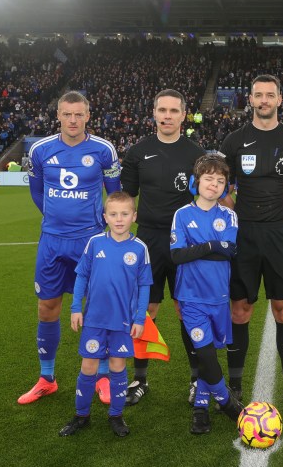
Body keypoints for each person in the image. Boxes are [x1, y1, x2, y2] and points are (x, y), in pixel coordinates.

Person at [18, 91, 122, 405]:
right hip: (51, 241)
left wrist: (99, 227)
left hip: (90, 242)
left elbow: (115, 195)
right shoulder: (41, 149)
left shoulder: (104, 150)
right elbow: (37, 191)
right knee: (47, 308)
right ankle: (46, 378)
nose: (73, 120)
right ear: (59, 115)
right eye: (67, 114)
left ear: (88, 116)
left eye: (79, 114)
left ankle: (102, 376)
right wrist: (55, 218)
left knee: (97, 309)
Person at [220, 74, 283, 414]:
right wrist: (237, 217)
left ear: (279, 100)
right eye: (258, 95)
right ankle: (233, 387)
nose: (263, 100)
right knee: (239, 310)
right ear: (250, 99)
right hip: (243, 235)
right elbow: (220, 186)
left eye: (269, 95)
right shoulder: (234, 140)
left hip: (280, 236)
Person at [120, 89, 207, 406]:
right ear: (154, 113)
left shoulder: (197, 154)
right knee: (147, 309)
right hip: (148, 240)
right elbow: (126, 200)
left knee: (187, 310)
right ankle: (139, 379)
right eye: (162, 110)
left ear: (184, 115)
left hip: (186, 241)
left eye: (173, 110)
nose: (167, 116)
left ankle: (198, 380)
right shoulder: (137, 152)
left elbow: (205, 200)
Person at [59, 192, 151, 437]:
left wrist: (140, 318)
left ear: (134, 216)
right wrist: (76, 308)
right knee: (88, 366)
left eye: (124, 214)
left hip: (122, 321)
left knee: (117, 366)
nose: (119, 219)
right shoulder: (95, 243)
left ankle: (116, 416)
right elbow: (82, 276)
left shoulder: (140, 249)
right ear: (105, 217)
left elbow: (144, 286)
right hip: (94, 320)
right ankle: (81, 416)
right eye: (113, 214)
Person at [169, 154, 245, 433]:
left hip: (219, 298)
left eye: (220, 181)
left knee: (208, 354)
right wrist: (214, 244)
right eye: (209, 178)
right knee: (206, 354)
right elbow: (177, 255)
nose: (214, 184)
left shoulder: (229, 215)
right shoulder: (183, 214)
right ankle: (228, 404)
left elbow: (230, 251)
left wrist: (201, 248)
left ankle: (201, 408)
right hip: (191, 298)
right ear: (196, 181)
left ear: (225, 188)